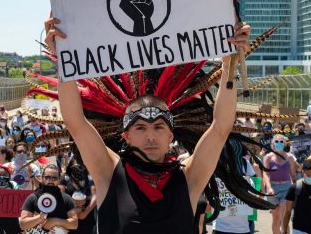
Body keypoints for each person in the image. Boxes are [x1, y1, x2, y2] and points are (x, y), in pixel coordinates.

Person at [45, 13, 250, 233]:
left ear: (171, 135)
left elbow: (220, 127)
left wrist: (230, 63)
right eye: (140, 128)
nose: (150, 136)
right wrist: (63, 59)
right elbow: (76, 122)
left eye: (158, 127)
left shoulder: (189, 177)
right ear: (126, 136)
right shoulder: (108, 171)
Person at [21, 164, 78, 232]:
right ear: (42, 178)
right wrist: (39, 218)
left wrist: (55, 221)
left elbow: (74, 224)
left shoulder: (66, 199)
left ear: (59, 179)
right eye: (47, 177)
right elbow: (22, 224)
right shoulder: (33, 197)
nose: (50, 181)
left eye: (54, 178)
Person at [263, 135, 297, 234]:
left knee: (284, 216)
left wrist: (297, 187)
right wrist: (269, 187)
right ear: (272, 144)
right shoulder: (268, 157)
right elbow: (265, 173)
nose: (279, 143)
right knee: (276, 217)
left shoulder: (290, 157)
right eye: (276, 141)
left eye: (281, 141)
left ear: (285, 144)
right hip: (272, 188)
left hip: (286, 187)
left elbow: (293, 174)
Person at [59, 159, 97, 234]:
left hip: (88, 220)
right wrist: (75, 211)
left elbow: (95, 197)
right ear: (70, 166)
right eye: (76, 165)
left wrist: (85, 212)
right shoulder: (65, 178)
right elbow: (60, 198)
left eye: (81, 166)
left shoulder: (90, 178)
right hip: (70, 222)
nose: (79, 169)